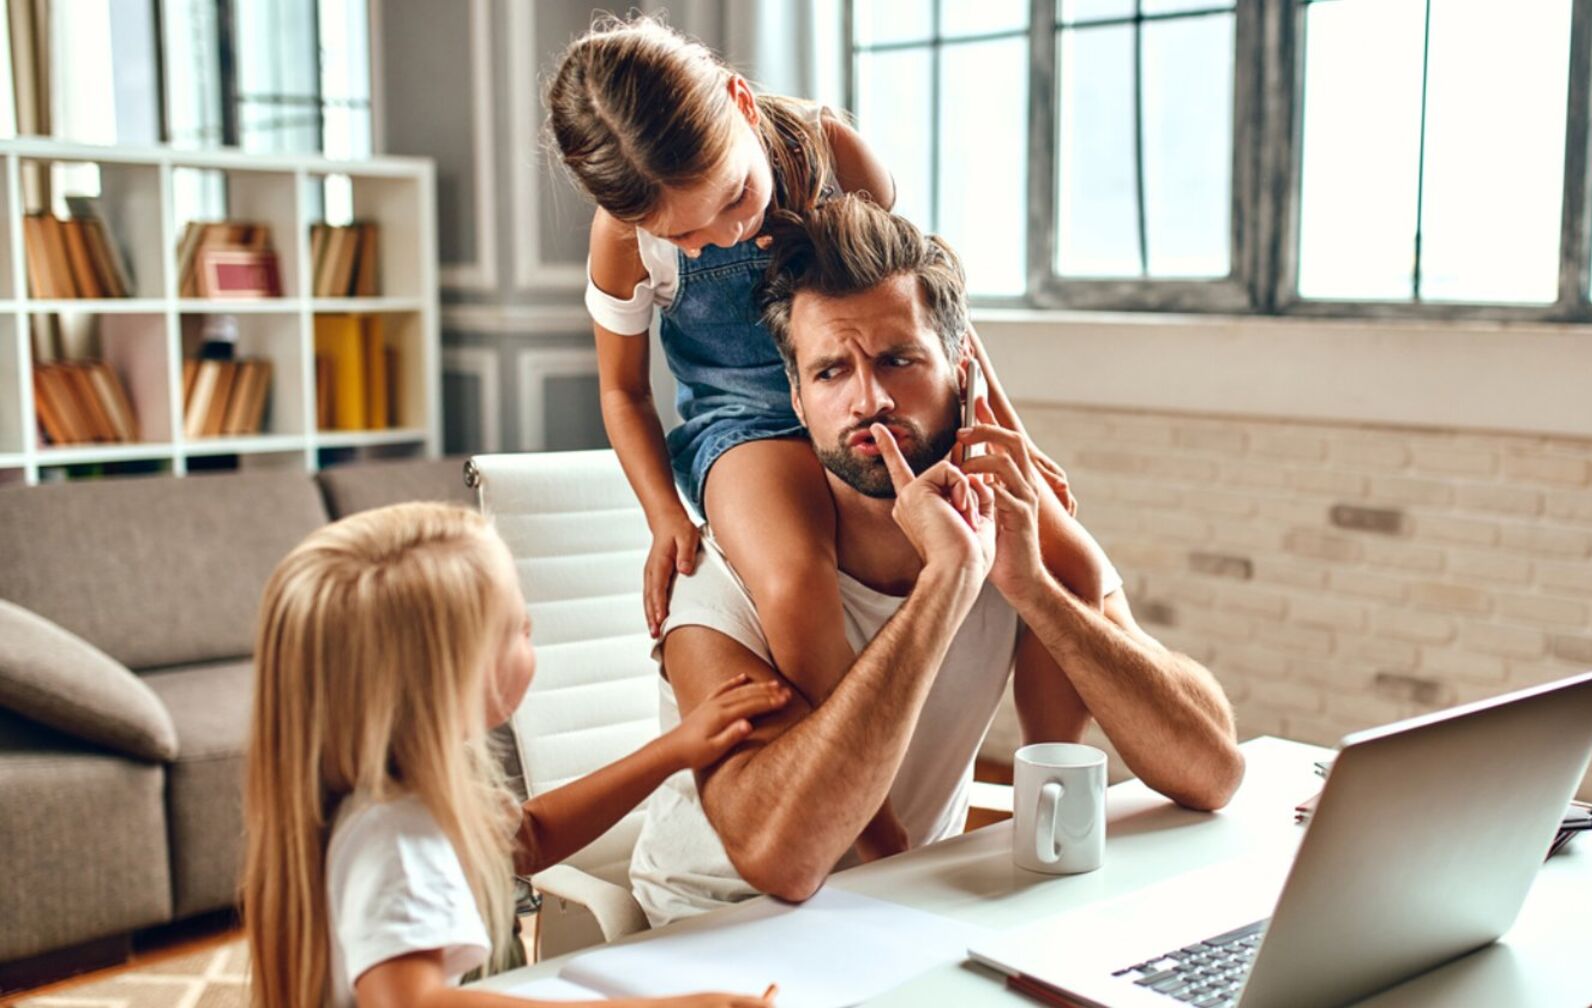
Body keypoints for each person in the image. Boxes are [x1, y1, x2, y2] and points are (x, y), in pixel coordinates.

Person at [545, 13, 1097, 859]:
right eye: (685, 236)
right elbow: (622, 393)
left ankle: (1052, 795)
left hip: (868, 379)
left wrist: (1005, 431)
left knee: (1065, 552)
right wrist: (664, 514)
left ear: (737, 101)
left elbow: (930, 312)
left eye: (733, 198)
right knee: (795, 571)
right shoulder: (625, 241)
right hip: (744, 418)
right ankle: (872, 831)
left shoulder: (833, 154)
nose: (720, 235)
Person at [628, 196, 1245, 924]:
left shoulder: (1011, 532)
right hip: (720, 927)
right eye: (831, 373)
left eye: (899, 360)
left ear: (962, 370)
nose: (870, 400)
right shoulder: (725, 575)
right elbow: (784, 861)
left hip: (910, 911)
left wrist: (1034, 589)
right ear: (794, 397)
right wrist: (945, 585)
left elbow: (1212, 770)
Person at [240, 502, 788, 1008]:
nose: (531, 628)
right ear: (444, 681)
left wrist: (673, 751)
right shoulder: (397, 834)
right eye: (514, 628)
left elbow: (528, 838)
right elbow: (411, 1002)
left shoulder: (392, 787)